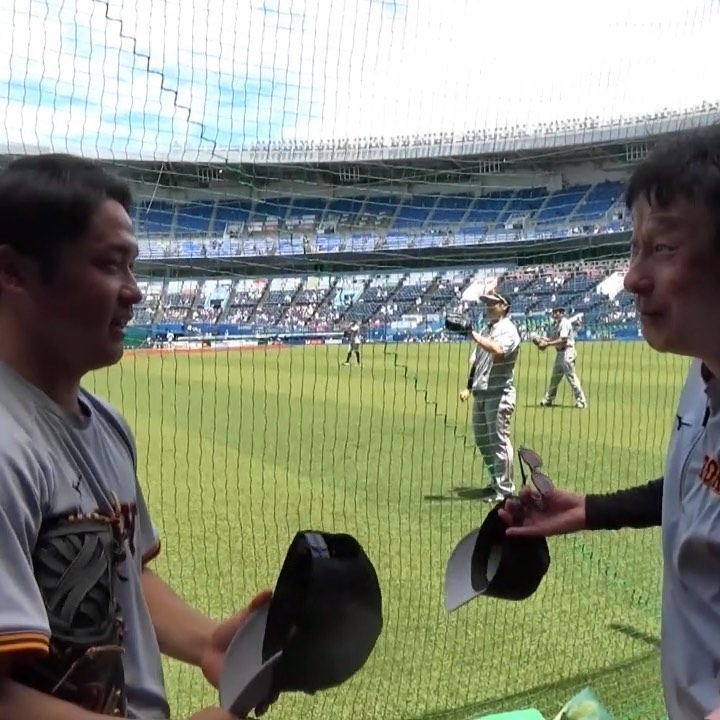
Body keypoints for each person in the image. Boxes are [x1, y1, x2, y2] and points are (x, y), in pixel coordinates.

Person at [0, 153, 270, 720]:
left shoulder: (107, 425)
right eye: (109, 265)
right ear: (13, 272)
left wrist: (208, 641)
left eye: (132, 266)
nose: (135, 292)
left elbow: (123, 573)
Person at [499, 123, 720, 720]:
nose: (631, 277)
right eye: (634, 247)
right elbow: (699, 483)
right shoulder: (703, 373)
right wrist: (587, 509)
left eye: (663, 248)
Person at [459, 291, 521, 502]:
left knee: (499, 441)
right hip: (481, 392)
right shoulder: (487, 329)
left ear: (504, 306)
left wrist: (472, 334)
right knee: (483, 440)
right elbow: (476, 362)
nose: (488, 306)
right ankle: (496, 480)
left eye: (492, 303)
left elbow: (498, 351)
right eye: (486, 303)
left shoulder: (509, 329)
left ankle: (505, 490)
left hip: (499, 393)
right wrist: (468, 387)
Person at [536, 305, 588, 409]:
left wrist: (547, 344)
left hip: (568, 351)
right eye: (554, 312)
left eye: (557, 312)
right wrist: (541, 339)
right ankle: (548, 400)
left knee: (571, 377)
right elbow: (553, 339)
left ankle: (581, 401)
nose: (555, 314)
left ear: (562, 313)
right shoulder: (557, 324)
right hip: (560, 353)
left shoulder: (565, 323)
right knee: (555, 378)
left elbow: (563, 340)